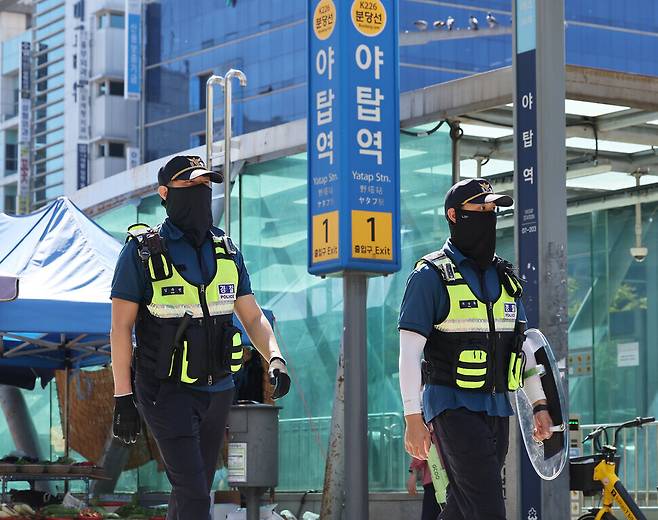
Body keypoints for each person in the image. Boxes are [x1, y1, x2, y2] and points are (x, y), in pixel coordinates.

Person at [110, 155, 291, 520]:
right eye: (189, 186)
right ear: (164, 193)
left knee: (193, 490)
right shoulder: (141, 252)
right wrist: (122, 397)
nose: (200, 193)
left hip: (219, 390)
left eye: (205, 185)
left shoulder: (226, 249)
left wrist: (275, 358)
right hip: (165, 392)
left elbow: (253, 316)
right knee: (194, 495)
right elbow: (120, 328)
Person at [398, 178, 554, 519]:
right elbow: (409, 352)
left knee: (463, 506)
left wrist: (539, 404)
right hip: (451, 406)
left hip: (497, 408)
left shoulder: (505, 278)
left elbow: (521, 348)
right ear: (454, 215)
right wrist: (413, 417)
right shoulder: (430, 276)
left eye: (492, 210)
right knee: (487, 507)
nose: (489, 216)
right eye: (479, 209)